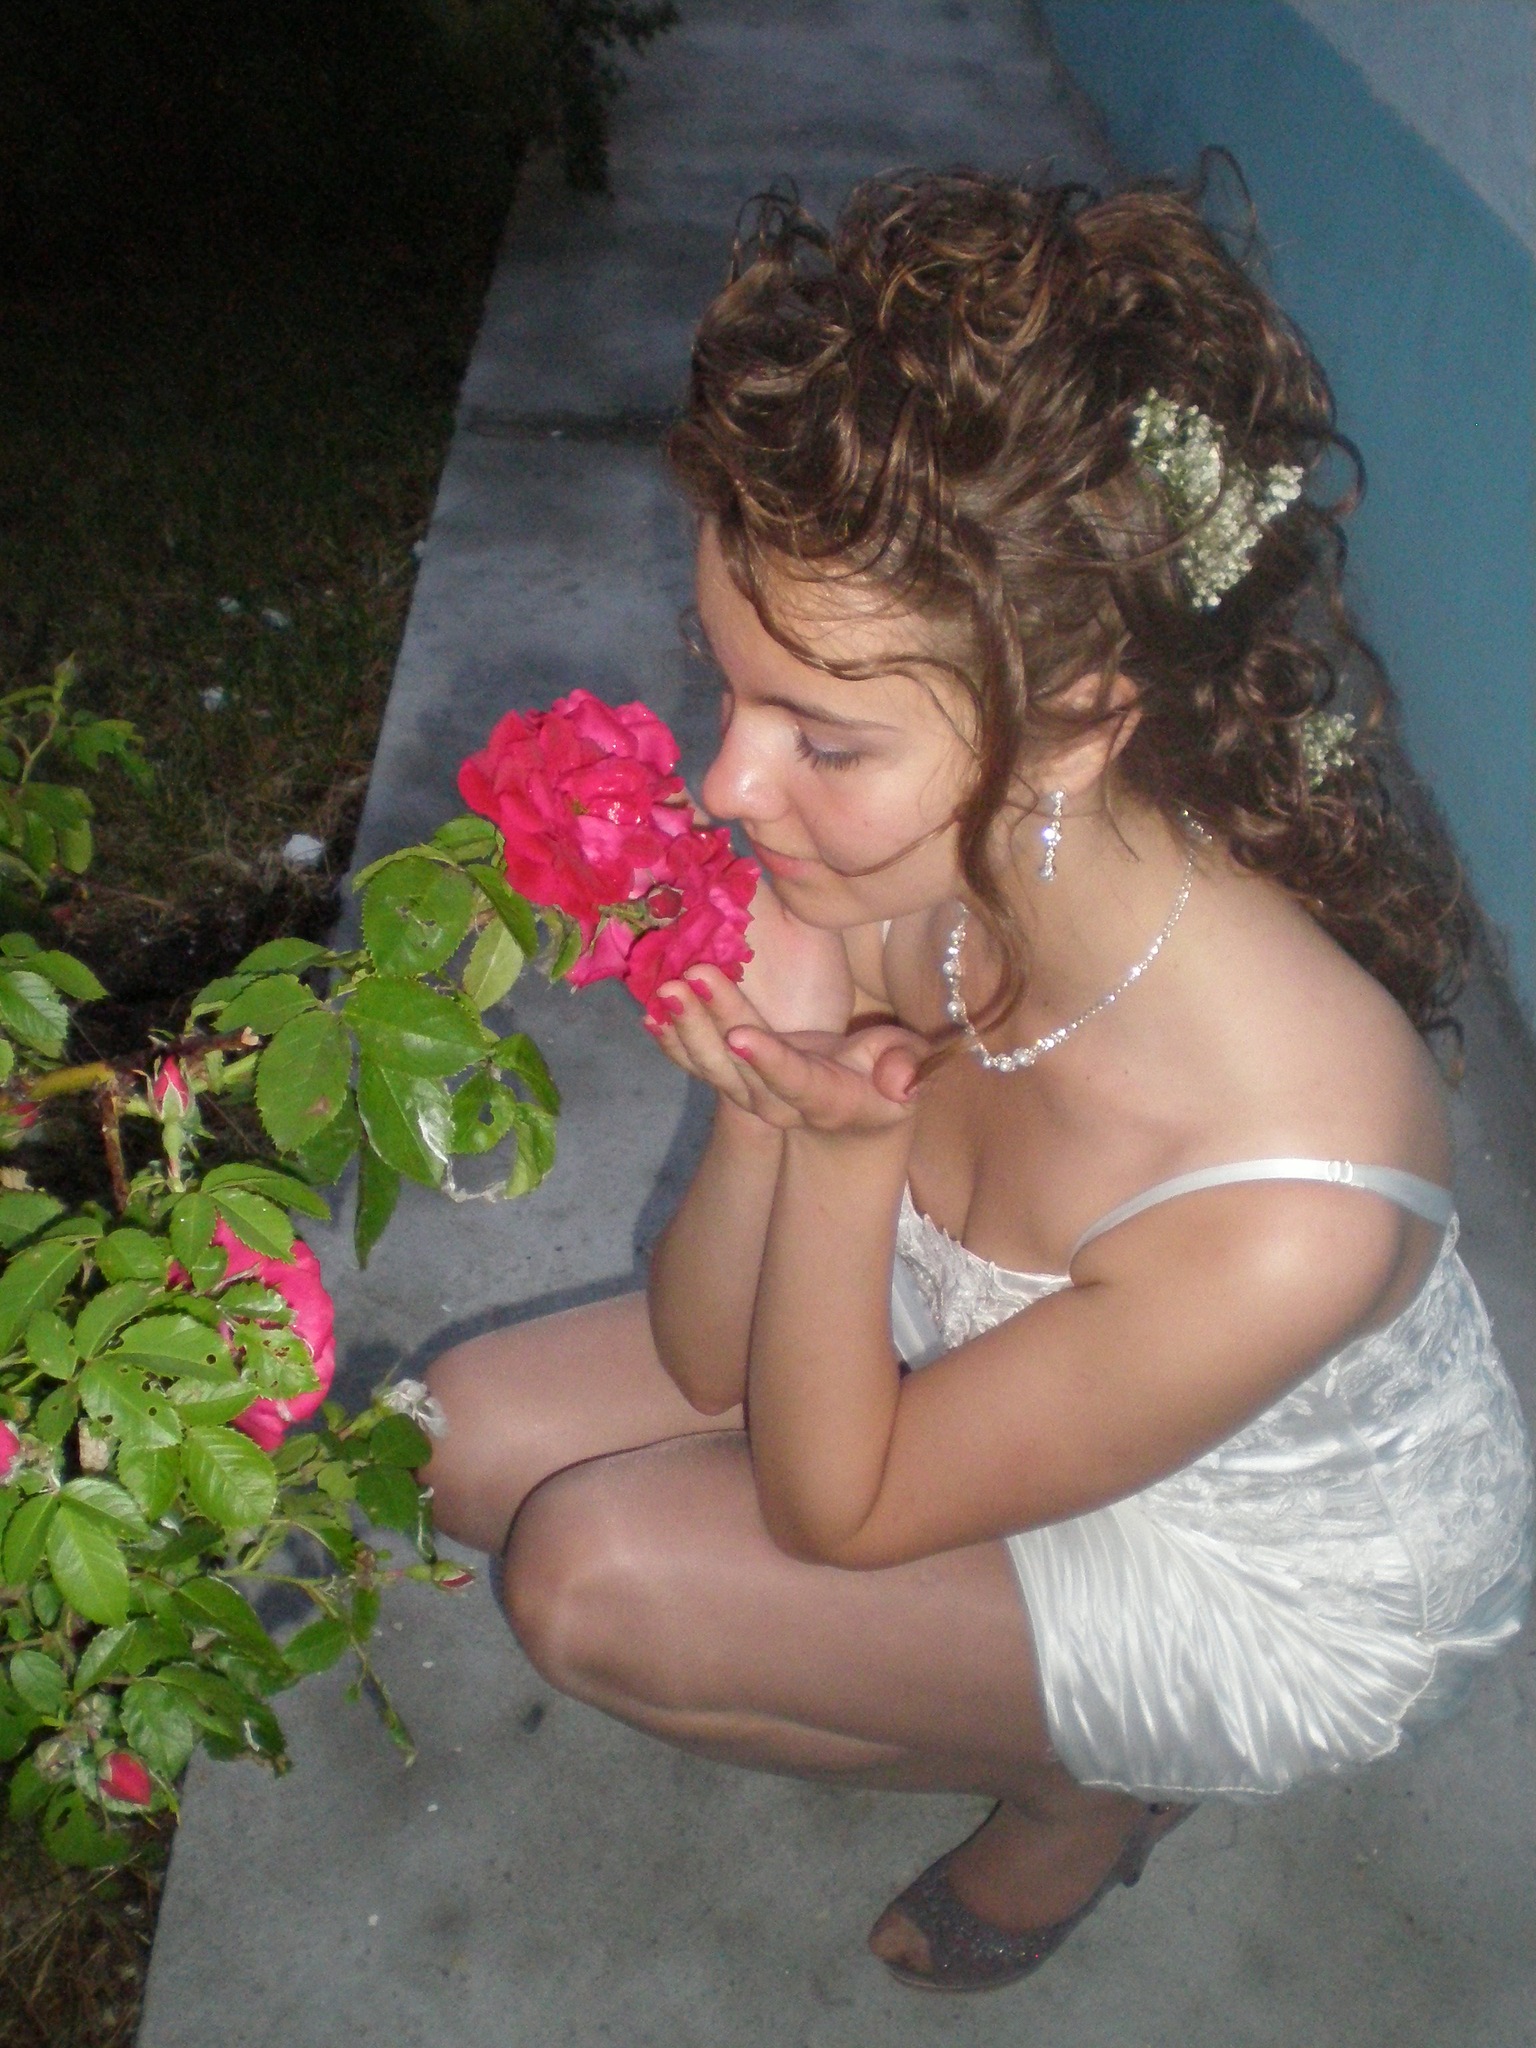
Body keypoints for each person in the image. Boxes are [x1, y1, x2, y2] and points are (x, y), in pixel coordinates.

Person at [423, 169, 1534, 1992]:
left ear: (1079, 725)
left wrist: (845, 1154)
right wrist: (769, 1101)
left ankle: (1089, 1784)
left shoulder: (1293, 1191)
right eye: (728, 685)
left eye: (821, 734)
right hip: (948, 1381)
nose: (727, 786)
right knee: (460, 1450)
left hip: (1250, 1577)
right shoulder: (900, 867)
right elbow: (706, 1359)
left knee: (590, 1579)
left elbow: (833, 1510)